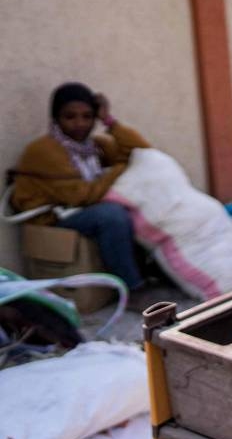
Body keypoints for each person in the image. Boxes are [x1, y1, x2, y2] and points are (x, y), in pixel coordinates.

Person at [12, 82, 150, 291]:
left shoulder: (93, 146)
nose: (79, 124)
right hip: (52, 220)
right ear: (56, 119)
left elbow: (143, 153)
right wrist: (120, 169)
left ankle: (152, 271)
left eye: (88, 117)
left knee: (142, 203)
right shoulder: (43, 150)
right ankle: (133, 289)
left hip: (77, 211)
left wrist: (109, 121)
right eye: (70, 117)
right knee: (111, 215)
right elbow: (82, 195)